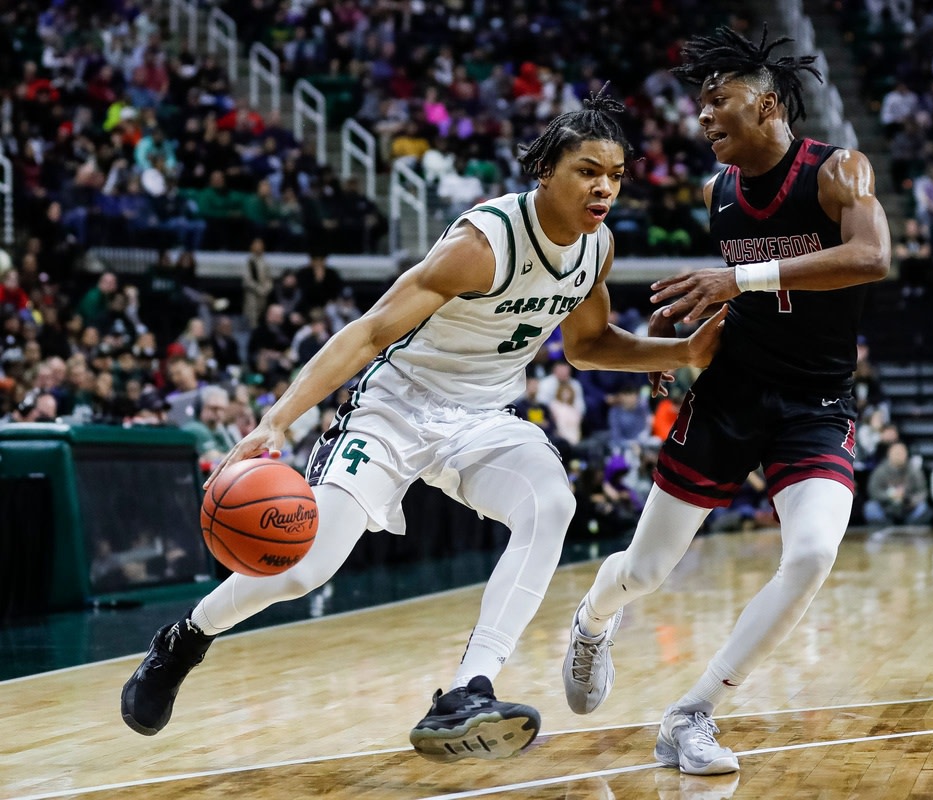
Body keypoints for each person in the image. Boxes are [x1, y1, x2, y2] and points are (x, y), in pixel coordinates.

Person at [119, 91, 728, 760]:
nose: (605, 186)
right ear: (547, 171)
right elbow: (372, 329)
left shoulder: (596, 249)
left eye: (615, 174)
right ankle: (184, 639)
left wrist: (682, 352)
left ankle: (470, 688)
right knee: (304, 570)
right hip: (394, 410)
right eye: (589, 170)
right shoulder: (482, 243)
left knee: (551, 502)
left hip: (483, 418)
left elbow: (587, 346)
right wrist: (278, 419)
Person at [562, 25, 889, 775]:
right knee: (645, 572)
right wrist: (682, 327)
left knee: (811, 552)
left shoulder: (839, 170)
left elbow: (871, 257)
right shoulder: (719, 193)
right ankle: (592, 620)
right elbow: (746, 298)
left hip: (816, 403)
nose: (704, 117)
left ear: (770, 104)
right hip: (730, 392)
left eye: (719, 100)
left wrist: (734, 282)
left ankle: (692, 713)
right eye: (700, 106)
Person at [864, 440, 931, 526]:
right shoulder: (880, 471)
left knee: (923, 508)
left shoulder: (914, 471)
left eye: (901, 452)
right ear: (889, 454)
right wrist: (890, 495)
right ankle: (883, 530)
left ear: (906, 454)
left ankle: (911, 530)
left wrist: (910, 499)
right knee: (870, 507)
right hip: (886, 508)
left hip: (908, 508)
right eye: (896, 453)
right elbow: (873, 492)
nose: (899, 455)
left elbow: (923, 492)